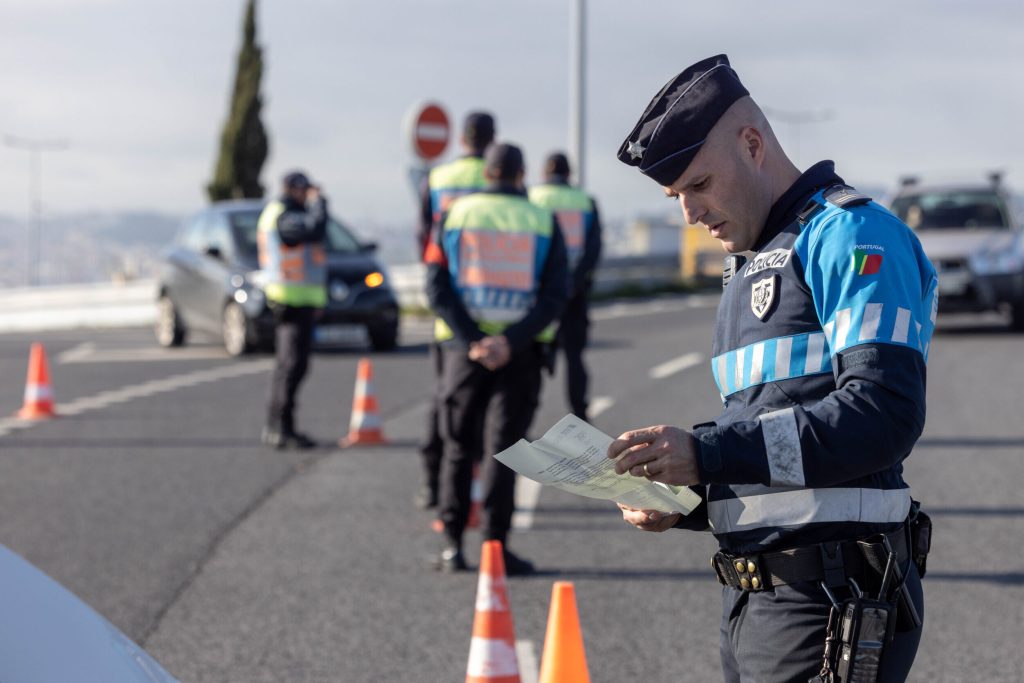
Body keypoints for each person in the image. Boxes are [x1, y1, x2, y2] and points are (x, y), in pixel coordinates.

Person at [609, 54, 937, 682]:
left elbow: (882, 415)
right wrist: (688, 496)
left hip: (830, 599)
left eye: (700, 185)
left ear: (753, 145)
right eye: (676, 197)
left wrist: (705, 454)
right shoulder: (754, 262)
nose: (690, 214)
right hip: (758, 601)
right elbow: (774, 446)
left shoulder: (850, 234)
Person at [425, 143, 568, 574]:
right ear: (521, 175)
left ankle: (452, 545)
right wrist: (510, 340)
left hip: (463, 353)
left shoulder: (453, 215)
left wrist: (473, 340)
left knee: (457, 448)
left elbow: (436, 286)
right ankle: (496, 548)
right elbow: (555, 294)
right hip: (519, 354)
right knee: (504, 451)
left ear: (486, 173)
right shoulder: (541, 219)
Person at [414, 112, 495, 509]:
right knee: (487, 413)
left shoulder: (438, 178)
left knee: (444, 400)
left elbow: (423, 235)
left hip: (449, 303)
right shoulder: (499, 174)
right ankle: (480, 491)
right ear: (492, 140)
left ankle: (435, 486)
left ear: (462, 139)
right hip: (495, 305)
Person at [528, 152, 602, 421]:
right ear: (569, 173)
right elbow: (593, 250)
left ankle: (525, 416)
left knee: (531, 357)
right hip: (574, 291)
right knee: (574, 357)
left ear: (544, 173)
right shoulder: (585, 201)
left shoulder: (531, 198)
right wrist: (572, 283)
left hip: (540, 294)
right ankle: (580, 415)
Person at [257, 171, 328, 450]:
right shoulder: (284, 215)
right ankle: (280, 428)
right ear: (293, 189)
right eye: (305, 190)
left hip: (298, 299)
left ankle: (279, 426)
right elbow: (314, 230)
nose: (308, 194)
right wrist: (319, 203)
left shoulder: (285, 213)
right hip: (290, 300)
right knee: (291, 366)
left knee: (289, 365)